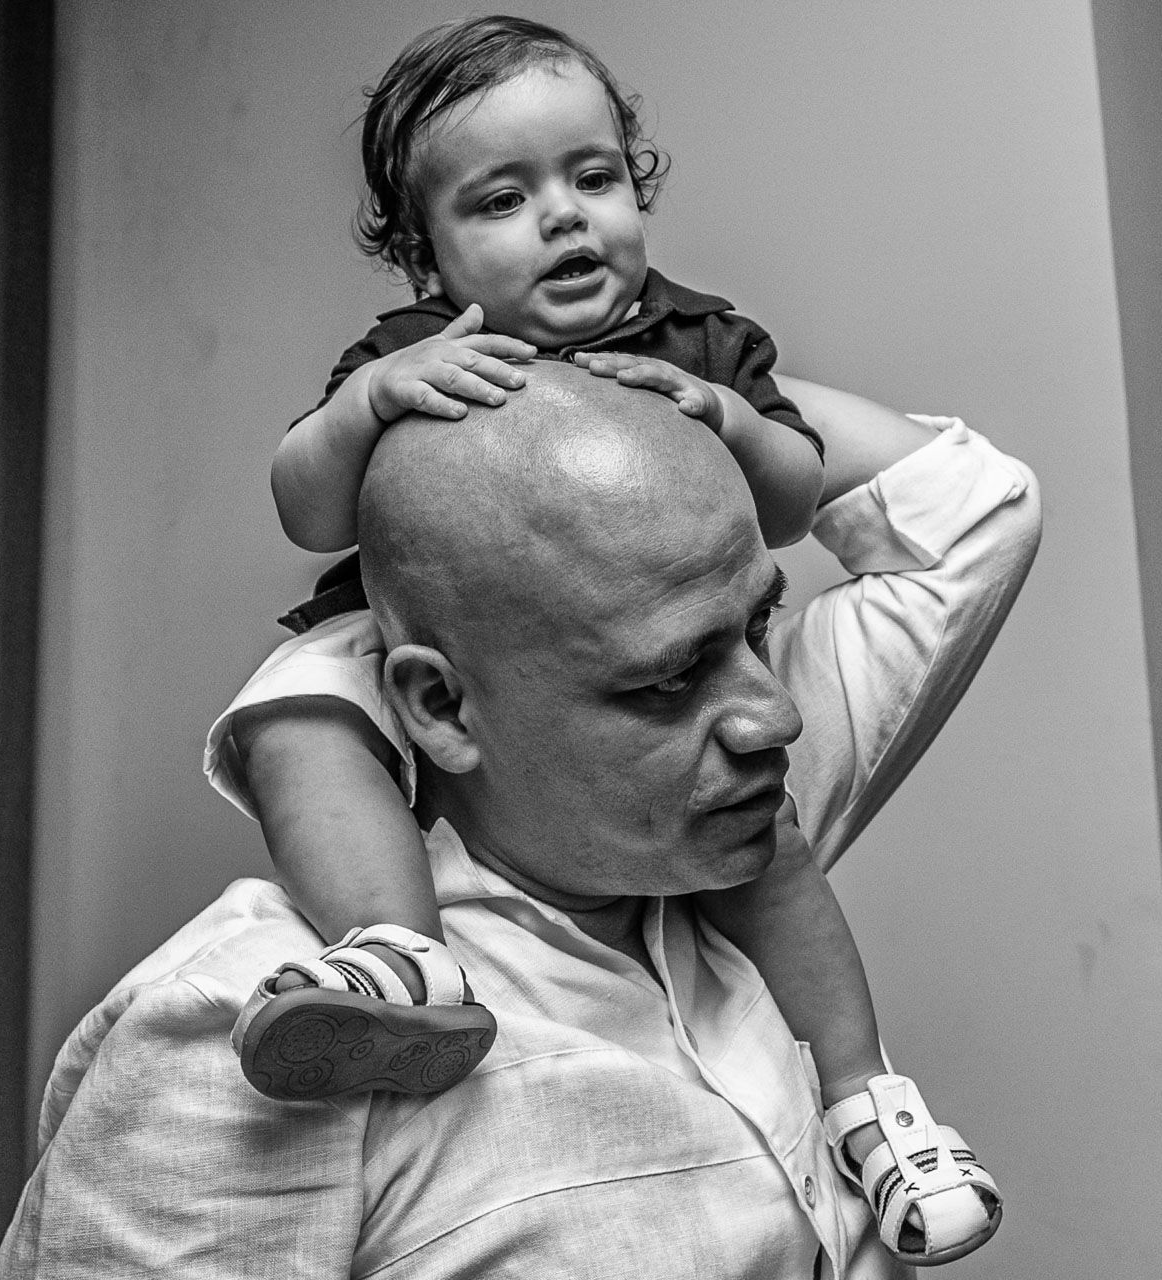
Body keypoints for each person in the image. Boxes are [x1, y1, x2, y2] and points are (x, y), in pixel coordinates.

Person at [216, 20, 991, 1262]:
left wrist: (735, 421)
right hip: (406, 631)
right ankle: (401, 948)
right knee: (291, 720)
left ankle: (872, 1104)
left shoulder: (699, 339)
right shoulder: (416, 353)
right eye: (504, 199)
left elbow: (797, 505)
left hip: (631, 666)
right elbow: (310, 509)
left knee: (772, 845)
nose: (567, 220)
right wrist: (364, 408)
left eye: (595, 178)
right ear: (429, 252)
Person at [0, 366, 1036, 1276]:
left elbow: (974, 513)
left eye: (759, 623)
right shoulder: (234, 1033)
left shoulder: (739, 836)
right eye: (672, 676)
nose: (776, 714)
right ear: (443, 708)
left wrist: (682, 373)